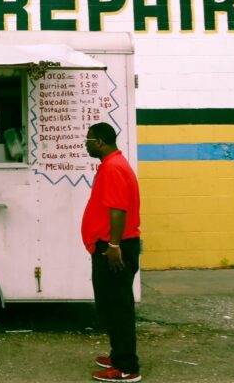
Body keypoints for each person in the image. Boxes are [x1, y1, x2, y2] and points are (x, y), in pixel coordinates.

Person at [82, 121, 142, 382]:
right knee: (109, 305)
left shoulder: (114, 168)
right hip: (109, 246)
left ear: (100, 142)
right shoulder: (112, 165)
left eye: (88, 140)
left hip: (114, 249)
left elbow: (118, 209)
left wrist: (114, 246)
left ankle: (126, 366)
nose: (86, 145)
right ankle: (119, 354)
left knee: (118, 307)